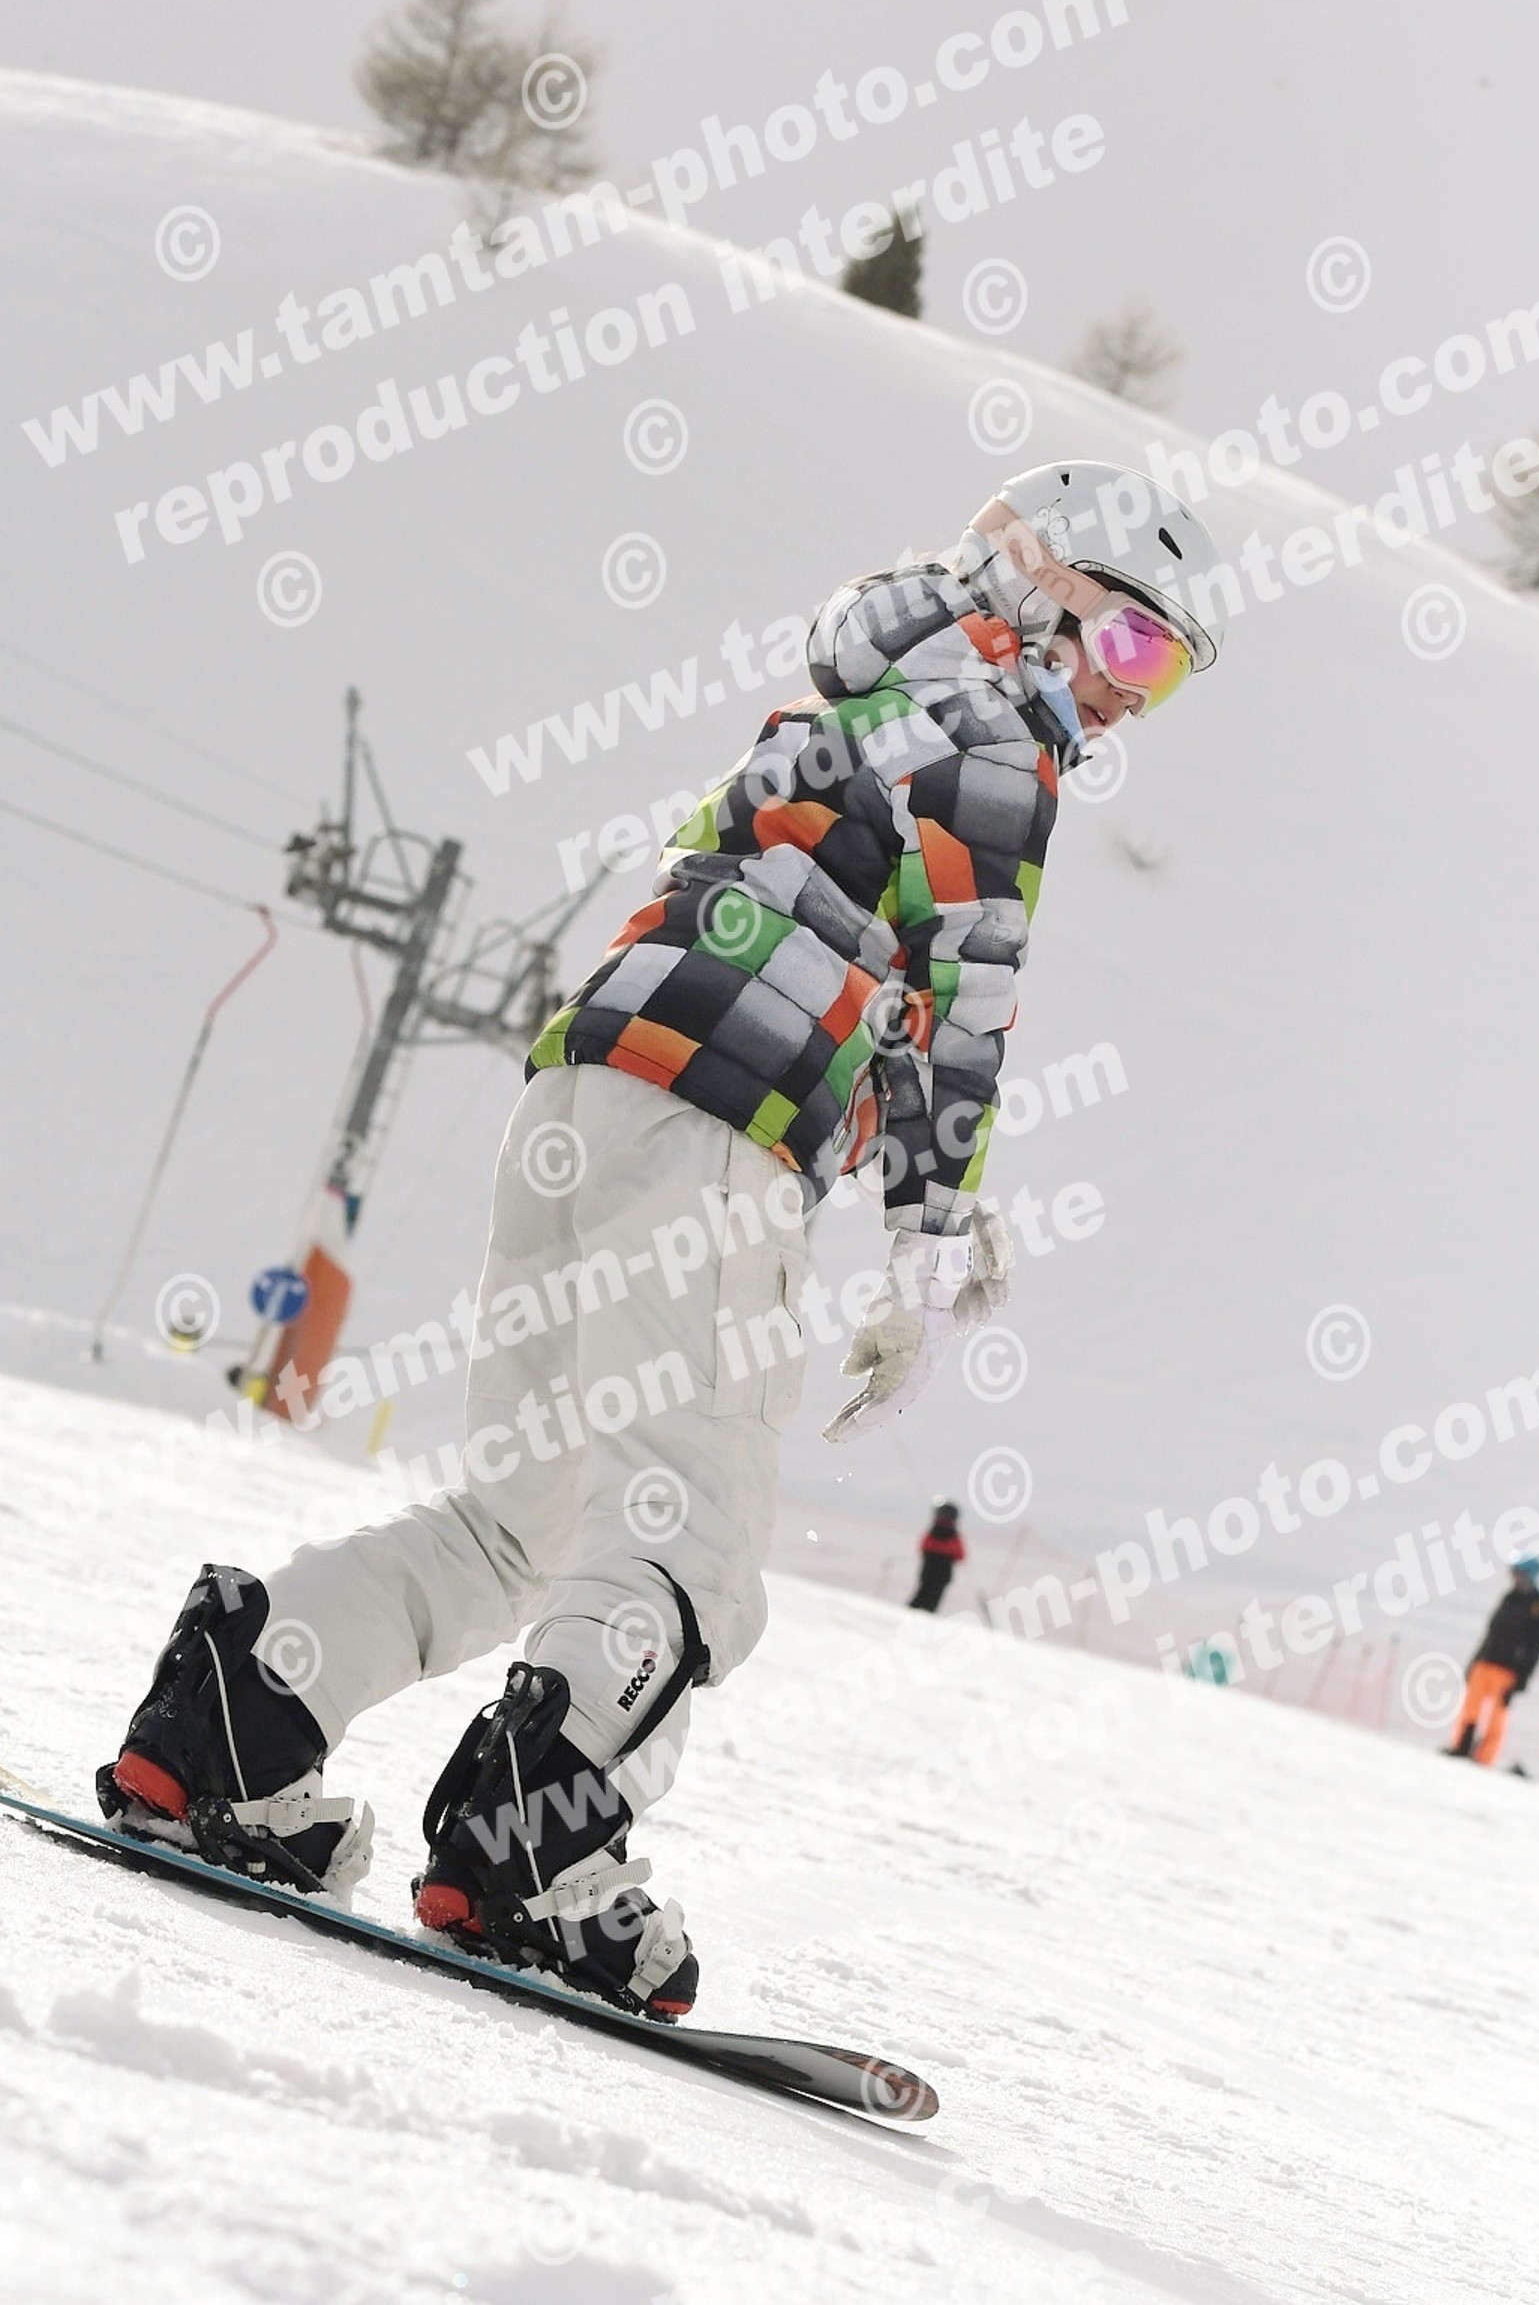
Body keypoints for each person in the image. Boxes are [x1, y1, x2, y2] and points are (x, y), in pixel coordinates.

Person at [99, 460, 1225, 2019]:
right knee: (688, 1533)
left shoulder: (867, 682)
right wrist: (928, 1232)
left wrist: (912, 1177)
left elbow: (874, 953)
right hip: (720, 1123)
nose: (1127, 699)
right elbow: (968, 995)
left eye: (1166, 678)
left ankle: (236, 1711)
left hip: (588, 1085)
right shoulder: (999, 729)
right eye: (1133, 645)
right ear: (1046, 589)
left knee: (525, 1519)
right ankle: (534, 1852)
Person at [1447, 1556, 1539, 1765]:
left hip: (1509, 1671)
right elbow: (1491, 1633)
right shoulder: (1509, 1598)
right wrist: (1475, 1661)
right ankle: (1461, 1747)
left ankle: (1484, 1757)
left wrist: (1523, 1677)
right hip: (1486, 1661)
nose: (1517, 1578)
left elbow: (1536, 1646)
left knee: (1497, 1715)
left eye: (1521, 1574)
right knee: (1471, 1707)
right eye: (1515, 1573)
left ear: (1531, 1576)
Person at [909, 1499, 965, 1612]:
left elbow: (923, 1547)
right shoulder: (954, 1537)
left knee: (921, 1596)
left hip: (928, 1571)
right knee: (931, 1601)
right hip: (942, 1575)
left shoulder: (932, 1533)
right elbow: (960, 1555)